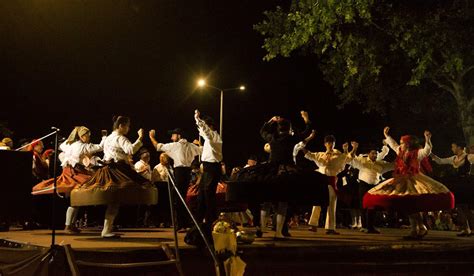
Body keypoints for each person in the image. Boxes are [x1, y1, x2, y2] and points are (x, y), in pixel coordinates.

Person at [70, 116, 158, 238]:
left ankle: (107, 229)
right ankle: (106, 230)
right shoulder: (120, 138)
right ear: (121, 126)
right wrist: (140, 138)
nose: (128, 128)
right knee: (118, 199)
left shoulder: (109, 138)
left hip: (108, 169)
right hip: (119, 169)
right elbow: (130, 150)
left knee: (113, 201)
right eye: (127, 126)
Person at [363, 127, 455, 239]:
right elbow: (393, 145)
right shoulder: (400, 151)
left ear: (408, 144)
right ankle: (419, 228)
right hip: (401, 179)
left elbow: (427, 150)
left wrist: (427, 139)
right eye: (400, 143)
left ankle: (417, 229)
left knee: (411, 205)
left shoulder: (416, 153)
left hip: (414, 180)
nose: (400, 144)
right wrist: (387, 136)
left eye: (402, 143)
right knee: (409, 206)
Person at [32, 126, 106, 233]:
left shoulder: (69, 144)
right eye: (88, 135)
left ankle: (70, 225)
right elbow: (100, 147)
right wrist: (104, 137)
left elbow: (62, 146)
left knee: (76, 201)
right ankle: (68, 225)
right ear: (82, 136)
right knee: (77, 200)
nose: (89, 137)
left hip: (68, 172)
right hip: (76, 175)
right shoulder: (83, 146)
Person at [149, 127, 202, 232]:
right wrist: (199, 143)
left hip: (180, 172)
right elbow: (202, 150)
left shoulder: (175, 145)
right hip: (187, 173)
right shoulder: (191, 145)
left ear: (179, 135)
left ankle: (182, 224)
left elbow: (158, 146)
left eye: (173, 134)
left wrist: (151, 137)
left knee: (177, 198)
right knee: (180, 198)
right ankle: (184, 222)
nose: (171, 137)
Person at [303, 135, 355, 235]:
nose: (330, 144)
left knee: (331, 204)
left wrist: (352, 149)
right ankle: (313, 224)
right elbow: (309, 155)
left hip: (331, 180)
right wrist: (301, 146)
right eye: (328, 142)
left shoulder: (338, 155)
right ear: (325, 144)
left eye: (332, 143)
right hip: (321, 181)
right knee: (317, 202)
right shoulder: (320, 155)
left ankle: (330, 228)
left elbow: (349, 158)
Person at [431, 141, 474, 236]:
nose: (452, 148)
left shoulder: (469, 157)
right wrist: (430, 153)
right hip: (458, 184)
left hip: (467, 184)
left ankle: (470, 229)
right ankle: (466, 229)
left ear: (459, 147)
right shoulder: (453, 158)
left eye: (453, 146)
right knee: (460, 207)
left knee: (466, 207)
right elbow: (440, 161)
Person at [349, 143, 394, 234]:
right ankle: (364, 226)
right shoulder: (363, 160)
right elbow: (351, 159)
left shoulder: (380, 163)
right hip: (363, 185)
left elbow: (392, 165)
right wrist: (354, 148)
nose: (374, 155)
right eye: (373, 153)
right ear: (368, 153)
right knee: (364, 205)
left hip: (374, 186)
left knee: (373, 206)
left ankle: (371, 226)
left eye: (376, 154)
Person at [194, 110, 223, 228]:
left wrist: (198, 119)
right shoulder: (209, 140)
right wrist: (197, 121)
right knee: (202, 195)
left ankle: (211, 221)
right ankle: (198, 222)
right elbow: (202, 131)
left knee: (208, 195)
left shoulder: (214, 137)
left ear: (210, 126)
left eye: (206, 125)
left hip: (212, 168)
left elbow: (205, 131)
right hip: (207, 168)